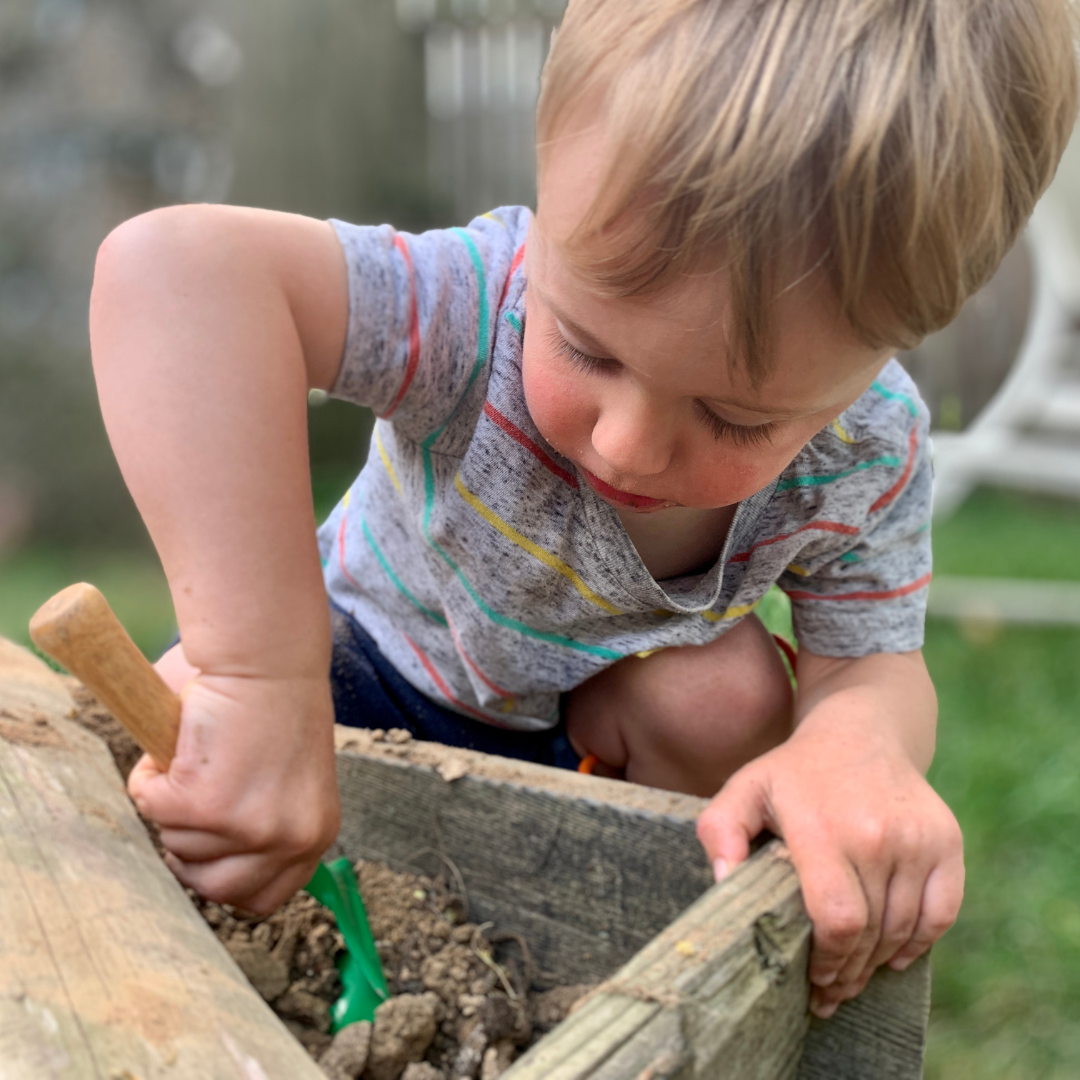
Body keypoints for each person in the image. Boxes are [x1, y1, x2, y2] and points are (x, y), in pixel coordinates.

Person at [88, 0, 1078, 1018]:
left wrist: (858, 749)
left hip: (585, 749)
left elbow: (872, 663)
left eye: (735, 417)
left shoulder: (866, 448)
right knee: (177, 745)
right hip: (353, 676)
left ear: (886, 349)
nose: (626, 444)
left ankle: (612, 977)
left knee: (727, 699)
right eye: (588, 350)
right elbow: (177, 274)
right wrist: (257, 676)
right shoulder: (477, 305)